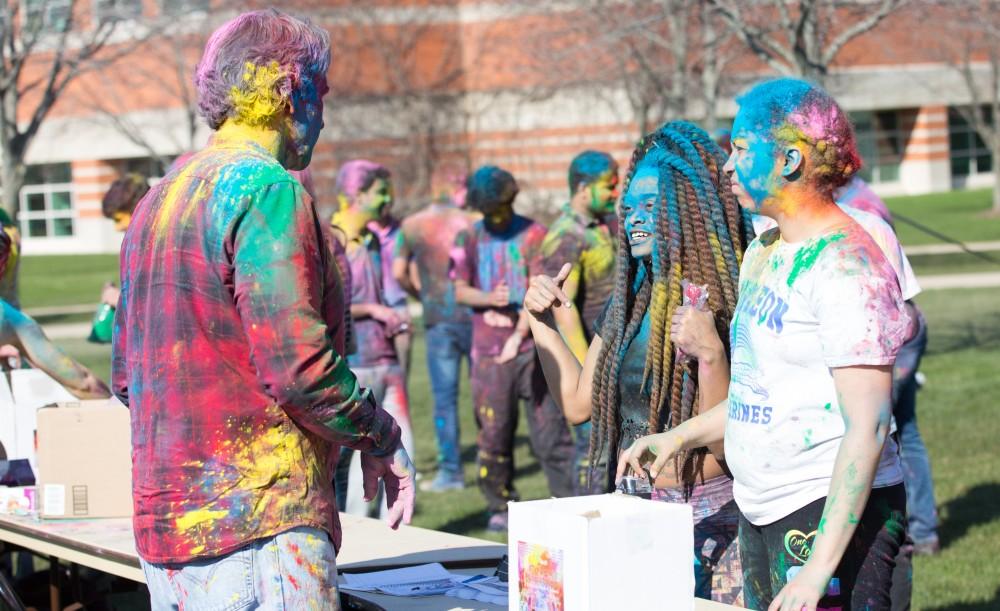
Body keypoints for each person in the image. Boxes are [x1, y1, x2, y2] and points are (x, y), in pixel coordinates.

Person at [112, 11, 415, 609]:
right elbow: (301, 369)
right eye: (320, 91)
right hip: (259, 521)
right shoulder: (268, 189)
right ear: (286, 88)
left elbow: (127, 375)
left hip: (166, 531)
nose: (323, 115)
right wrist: (381, 437)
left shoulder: (157, 199)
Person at [620, 78, 911, 611]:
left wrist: (816, 571)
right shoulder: (764, 250)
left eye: (742, 149)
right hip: (761, 509)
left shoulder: (848, 267)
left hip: (827, 516)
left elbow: (867, 428)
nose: (727, 166)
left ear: (791, 160)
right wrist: (676, 438)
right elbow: (762, 394)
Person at [525, 122, 752, 605]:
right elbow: (577, 404)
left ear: (687, 208)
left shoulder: (726, 298)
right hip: (631, 514)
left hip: (713, 523)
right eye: (628, 209)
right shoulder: (628, 303)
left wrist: (709, 352)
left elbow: (730, 439)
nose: (634, 220)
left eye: (651, 207)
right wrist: (542, 323)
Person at [451, 165, 575, 532]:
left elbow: (542, 291)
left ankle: (567, 501)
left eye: (501, 208)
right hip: (488, 353)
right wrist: (489, 297)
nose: (496, 217)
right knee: (493, 432)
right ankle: (500, 504)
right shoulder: (469, 238)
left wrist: (519, 333)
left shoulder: (535, 234)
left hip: (533, 350)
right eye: (489, 211)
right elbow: (459, 290)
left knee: (551, 432)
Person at [332, 159, 414, 517]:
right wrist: (376, 311)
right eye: (380, 192)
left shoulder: (376, 241)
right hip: (355, 366)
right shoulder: (334, 242)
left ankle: (397, 543)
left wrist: (396, 313)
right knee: (348, 469)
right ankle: (354, 540)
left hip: (387, 363)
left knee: (403, 452)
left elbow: (390, 293)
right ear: (357, 194)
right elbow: (335, 306)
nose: (388, 200)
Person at [538, 150, 619, 494]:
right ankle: (583, 521)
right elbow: (563, 309)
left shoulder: (604, 226)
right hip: (591, 367)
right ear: (583, 189)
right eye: (608, 186)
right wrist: (589, 374)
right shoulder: (567, 236)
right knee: (593, 455)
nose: (615, 193)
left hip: (611, 360)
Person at [393, 167, 476, 492]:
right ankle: (491, 464)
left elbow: (399, 272)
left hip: (437, 317)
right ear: (457, 189)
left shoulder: (412, 225)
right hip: (473, 315)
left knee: (445, 398)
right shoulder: (472, 223)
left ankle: (451, 472)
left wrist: (421, 294)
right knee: (485, 394)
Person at [366, 175, 414, 379]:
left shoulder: (402, 230)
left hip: (398, 305)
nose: (386, 202)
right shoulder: (364, 231)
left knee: (402, 372)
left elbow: (409, 269)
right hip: (372, 308)